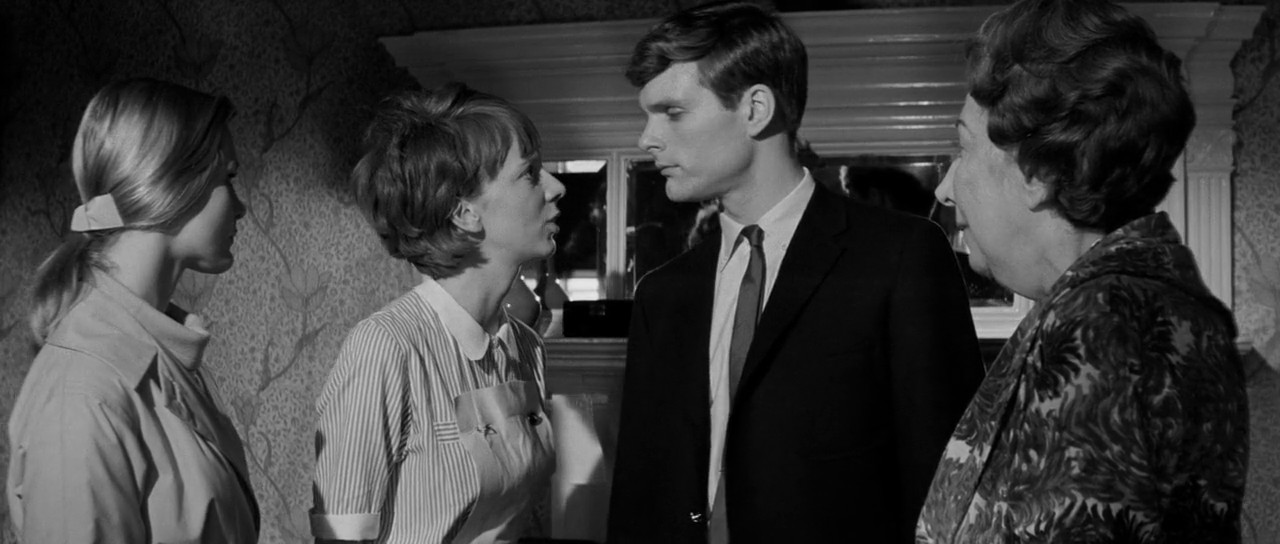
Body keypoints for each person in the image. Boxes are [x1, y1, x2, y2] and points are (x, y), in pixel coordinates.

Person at [607, 2, 985, 542]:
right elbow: (642, 488)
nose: (647, 138)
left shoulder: (899, 257)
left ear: (756, 109)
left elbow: (947, 477)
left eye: (672, 112)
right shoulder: (663, 293)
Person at [915, 0, 1249, 541]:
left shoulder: (1099, 328)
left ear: (1039, 173)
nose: (945, 189)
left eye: (963, 148)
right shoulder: (1133, 304)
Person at [310, 83, 565, 544]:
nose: (556, 187)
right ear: (465, 212)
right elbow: (343, 537)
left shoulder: (527, 347)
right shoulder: (388, 347)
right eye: (530, 173)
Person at [6, 79, 256, 542]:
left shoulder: (156, 357)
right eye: (229, 178)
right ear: (170, 184)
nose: (240, 208)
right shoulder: (83, 396)